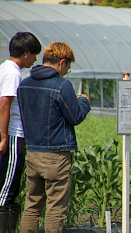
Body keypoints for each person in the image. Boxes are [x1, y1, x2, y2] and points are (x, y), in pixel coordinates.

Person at [18, 42, 91, 233]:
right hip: (56, 156)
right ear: (62, 62)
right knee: (56, 208)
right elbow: (75, 117)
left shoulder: (25, 83)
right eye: (68, 66)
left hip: (32, 153)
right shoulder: (62, 85)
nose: (67, 71)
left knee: (32, 206)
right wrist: (83, 101)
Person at [0, 32, 41, 233]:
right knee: (7, 188)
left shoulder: (3, 68)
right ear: (26, 52)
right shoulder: (13, 73)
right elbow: (5, 106)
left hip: (10, 133)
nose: (35, 60)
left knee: (9, 186)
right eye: (34, 55)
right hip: (15, 135)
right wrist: (5, 136)